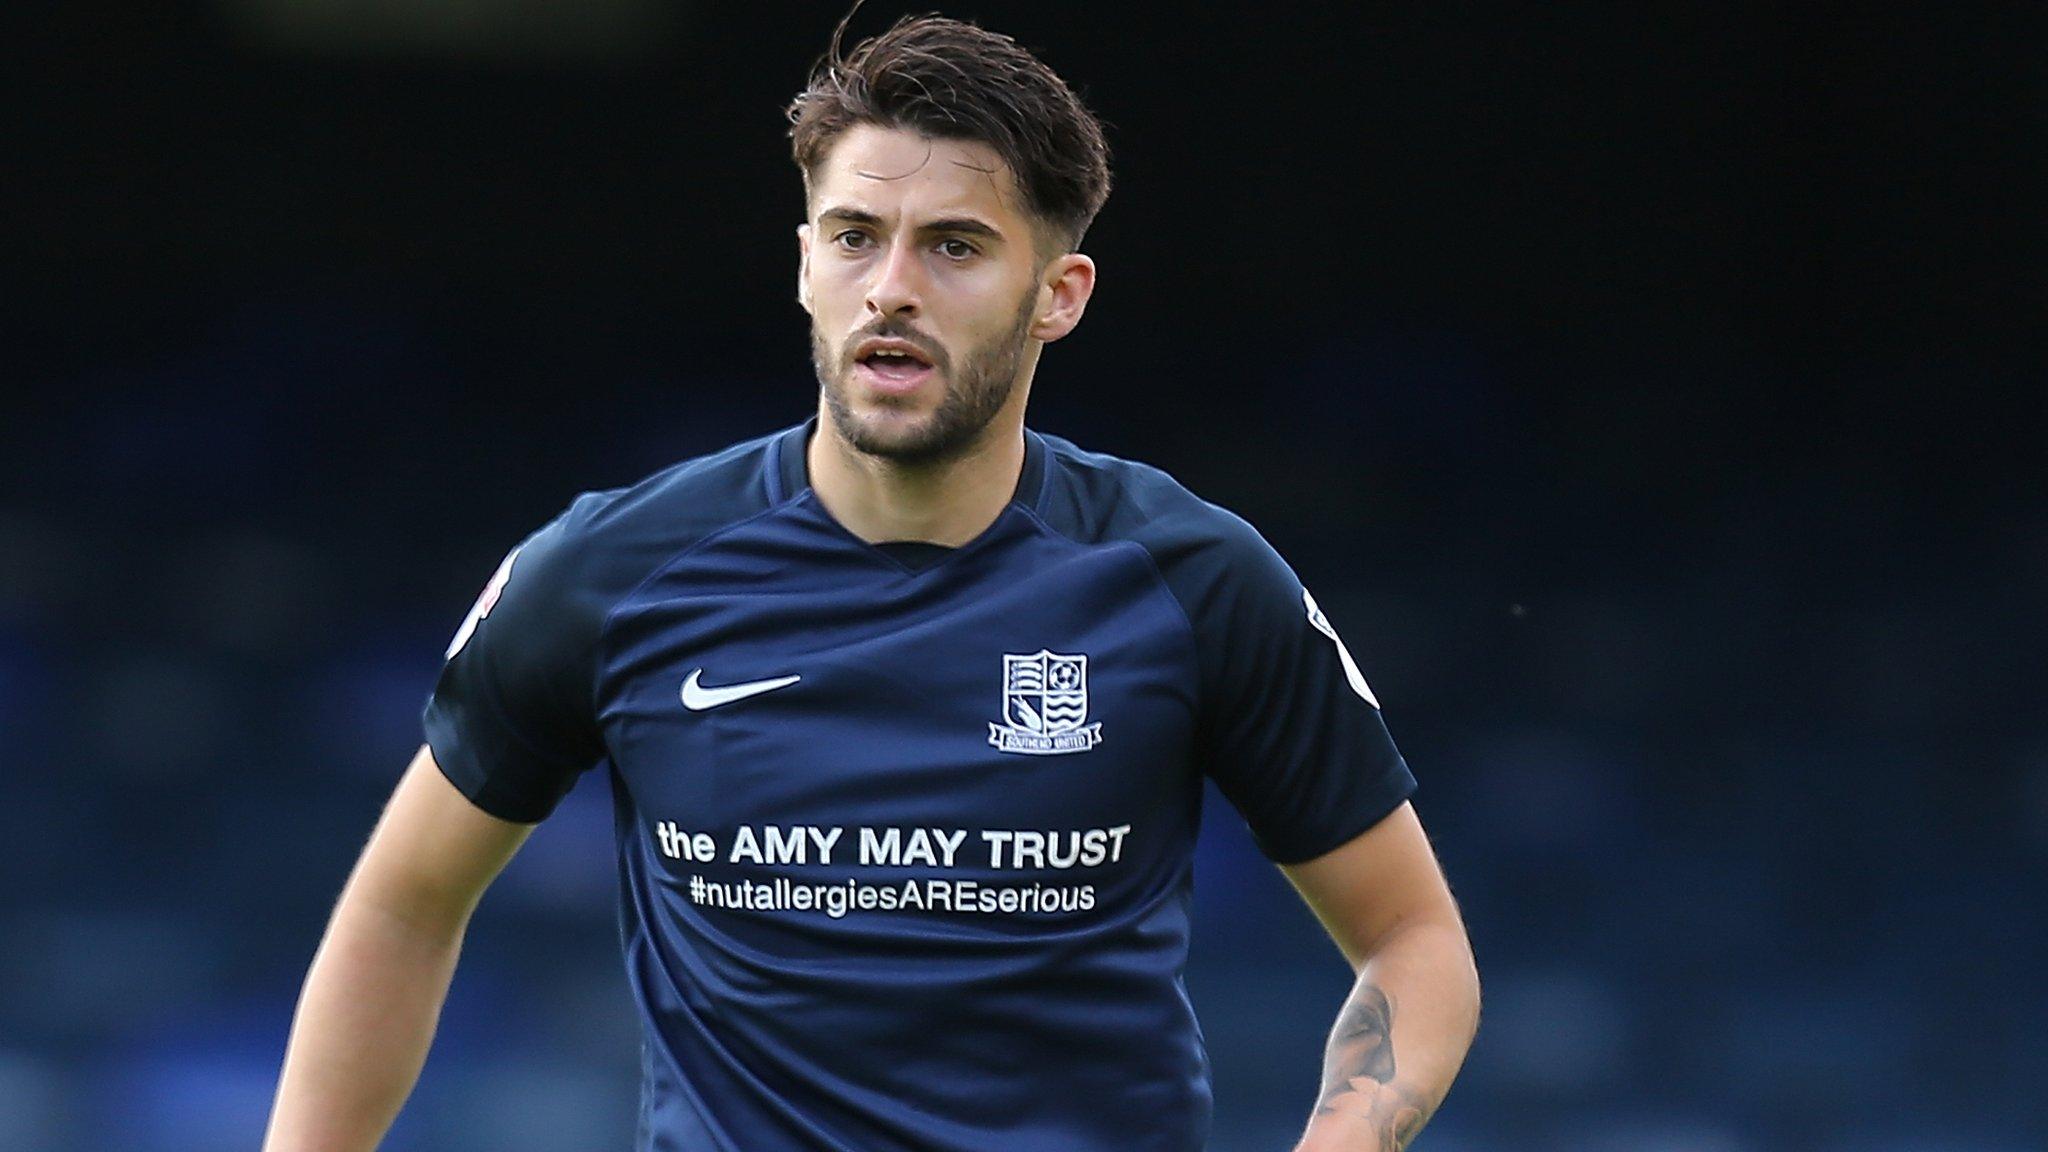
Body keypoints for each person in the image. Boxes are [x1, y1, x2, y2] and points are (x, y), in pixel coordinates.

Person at [262, 12, 1479, 1152]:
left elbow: (1413, 939)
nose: (890, 285)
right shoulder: (607, 573)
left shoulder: (1192, 580)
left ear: (1058, 295)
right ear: (804, 265)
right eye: (855, 237)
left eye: (953, 245)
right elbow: (402, 905)